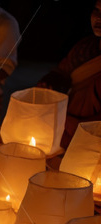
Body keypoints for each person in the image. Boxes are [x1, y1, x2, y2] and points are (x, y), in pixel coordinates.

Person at [38, 0, 101, 148]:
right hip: (66, 128)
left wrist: (80, 125)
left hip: (92, 141)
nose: (99, 18)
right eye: (96, 10)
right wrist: (49, 83)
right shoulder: (85, 47)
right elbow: (62, 72)